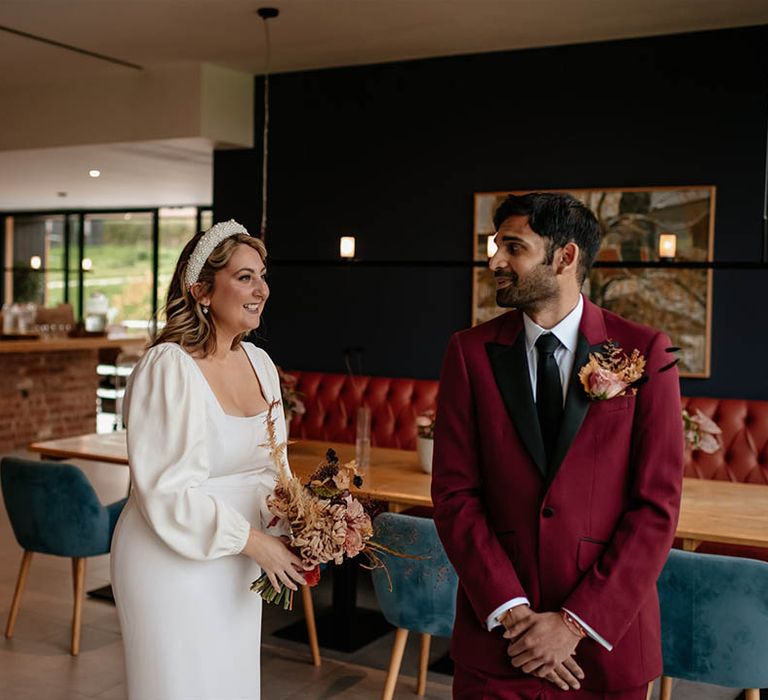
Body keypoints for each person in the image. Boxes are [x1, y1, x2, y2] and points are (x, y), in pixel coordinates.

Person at [431, 193, 684, 699]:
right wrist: (514, 613)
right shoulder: (469, 353)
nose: (495, 260)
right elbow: (456, 495)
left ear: (565, 257)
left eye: (513, 247)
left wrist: (572, 625)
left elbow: (656, 507)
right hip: (501, 643)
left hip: (603, 648)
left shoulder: (643, 352)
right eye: (495, 245)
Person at [111, 220, 306, 700]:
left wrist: (303, 517)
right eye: (244, 277)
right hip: (169, 561)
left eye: (262, 275)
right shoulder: (168, 366)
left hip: (241, 565)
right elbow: (166, 491)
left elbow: (270, 470)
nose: (261, 288)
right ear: (200, 290)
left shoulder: (260, 363)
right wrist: (254, 542)